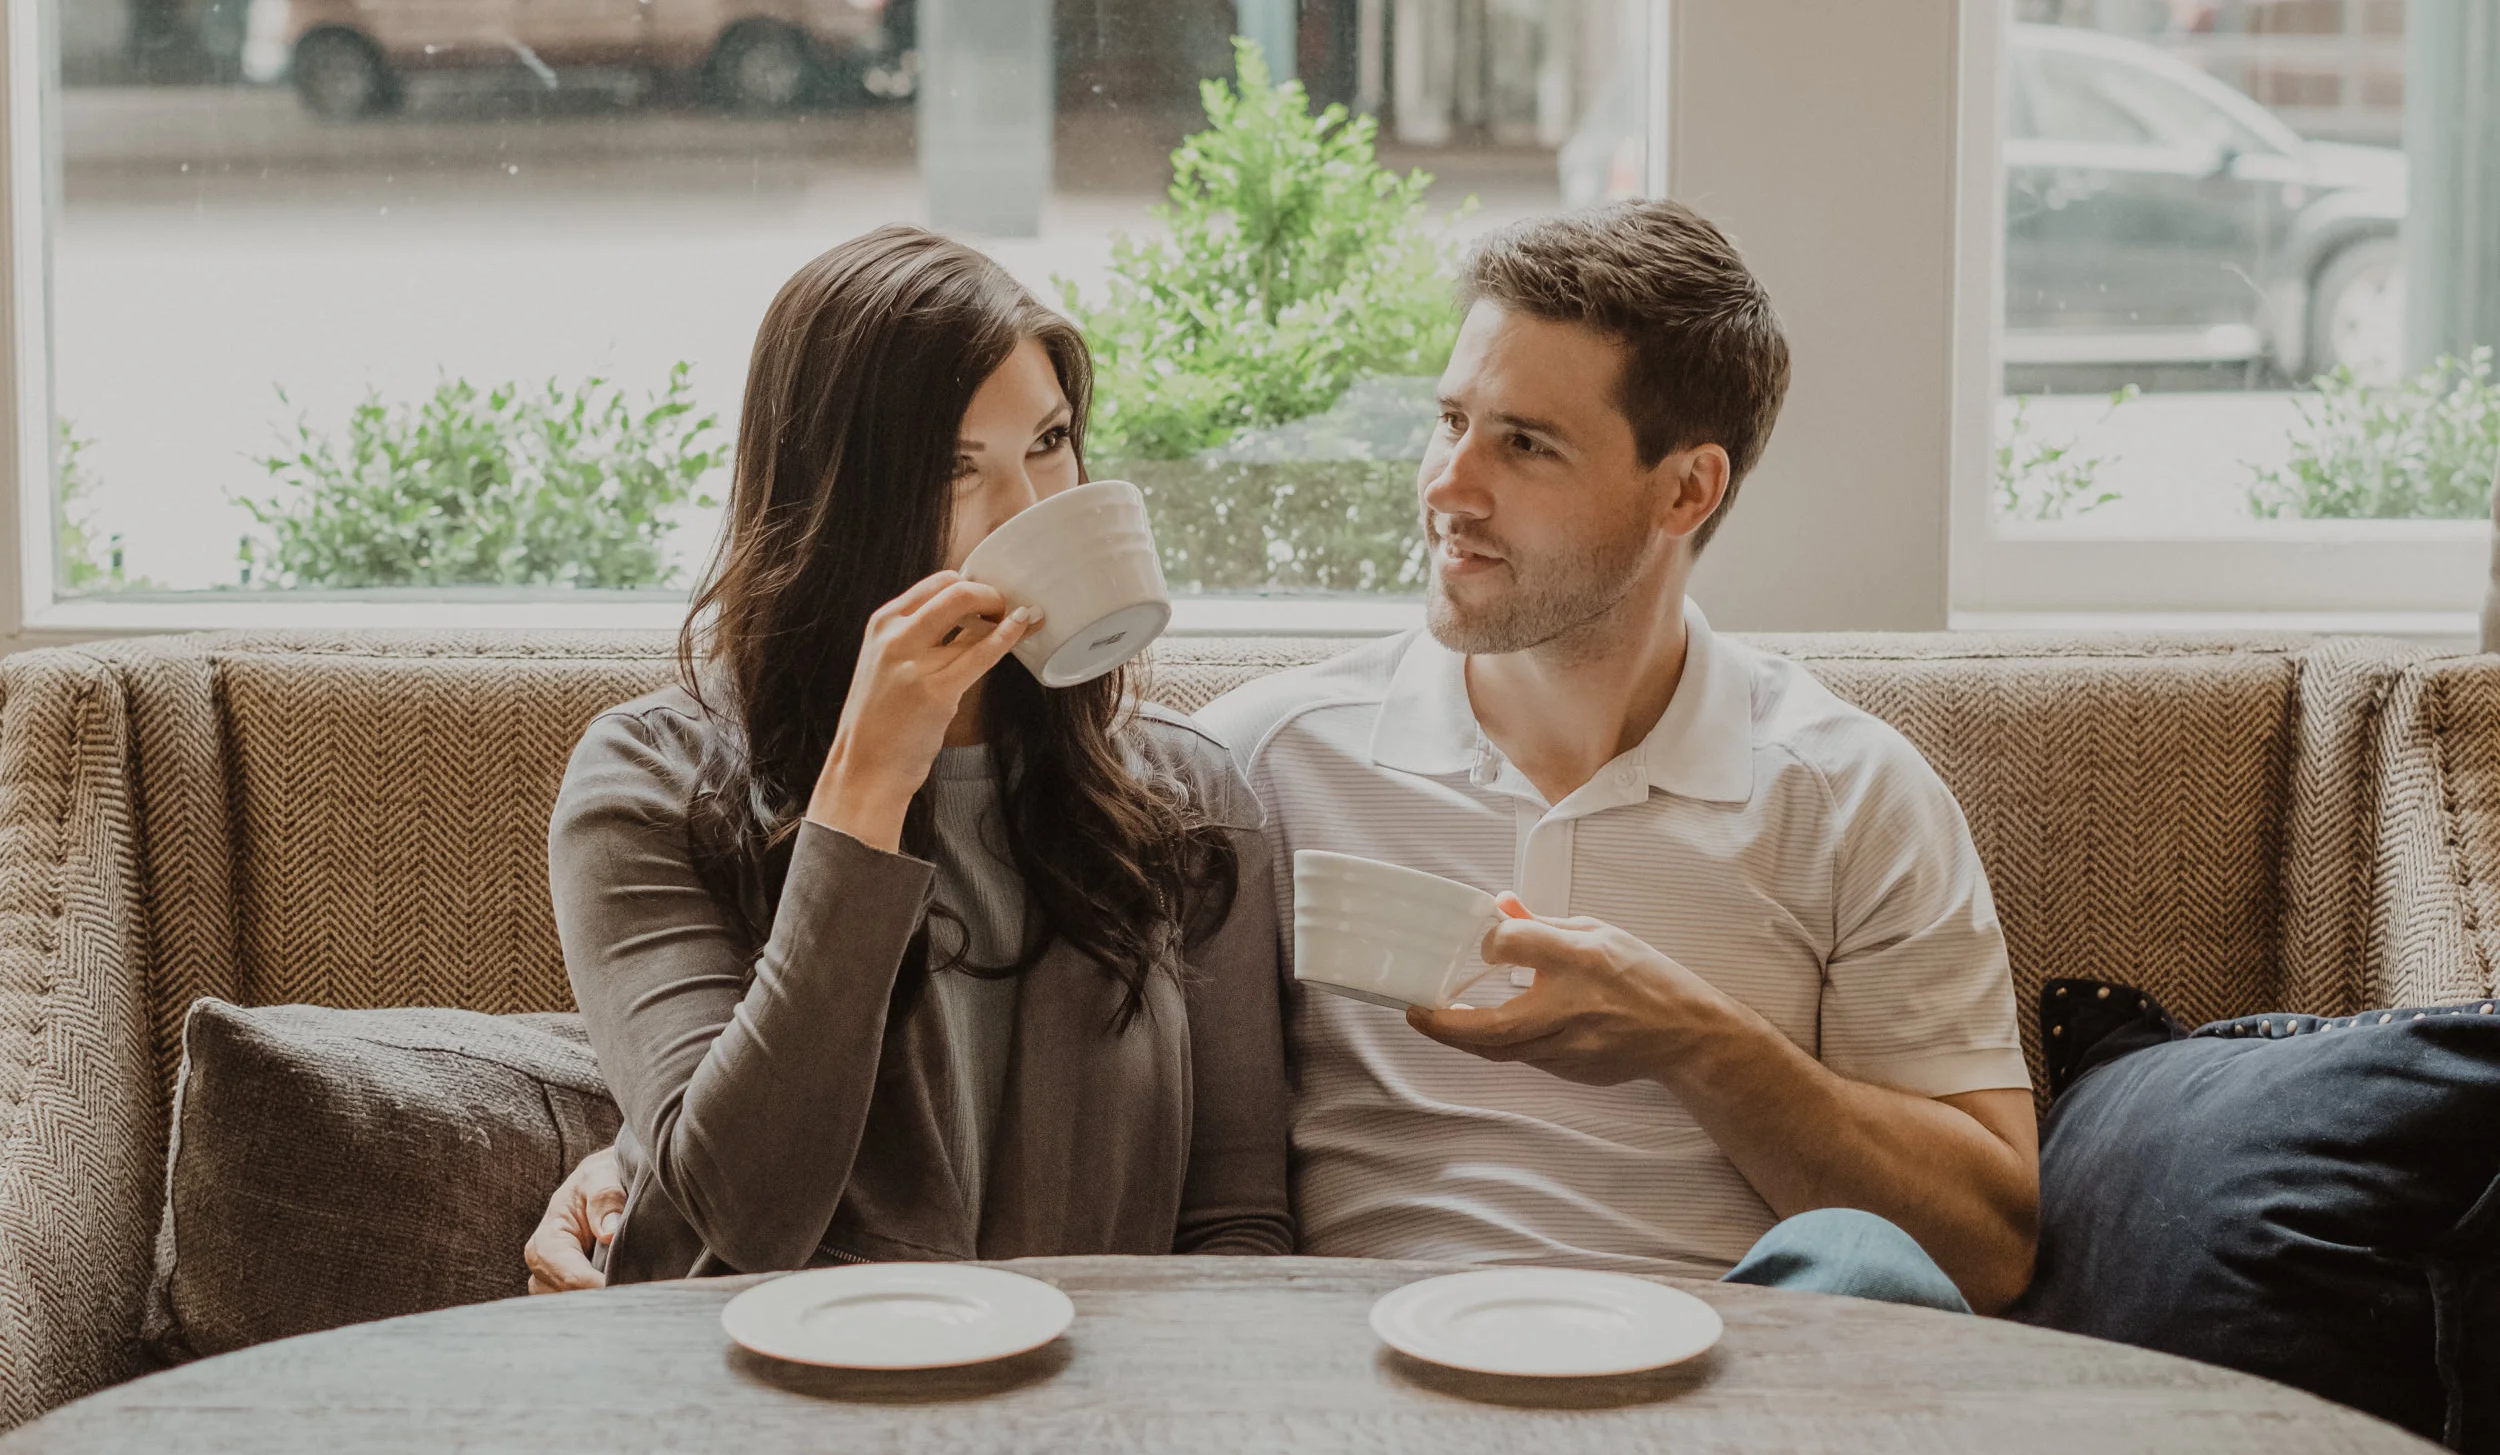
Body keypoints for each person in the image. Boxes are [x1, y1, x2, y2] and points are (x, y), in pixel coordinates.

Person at [534, 200, 2034, 1315]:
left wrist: (1690, 1034)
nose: (1445, 485)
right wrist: (647, 1143)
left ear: (1684, 487)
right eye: (1447, 421)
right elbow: (719, 1198)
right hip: (1316, 1393)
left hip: (1711, 1376)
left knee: (1857, 1274)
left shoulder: (1849, 795)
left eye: (1526, 444)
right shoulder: (1267, 761)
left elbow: (1984, 1245)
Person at [540, 225, 1289, 1287]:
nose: (1029, 507)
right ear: (833, 499)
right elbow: (740, 1220)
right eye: (955, 466)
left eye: (1049, 439)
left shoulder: (1183, 795)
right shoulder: (647, 785)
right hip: (766, 1407)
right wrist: (865, 791)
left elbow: (1239, 1221)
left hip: (1087, 1417)